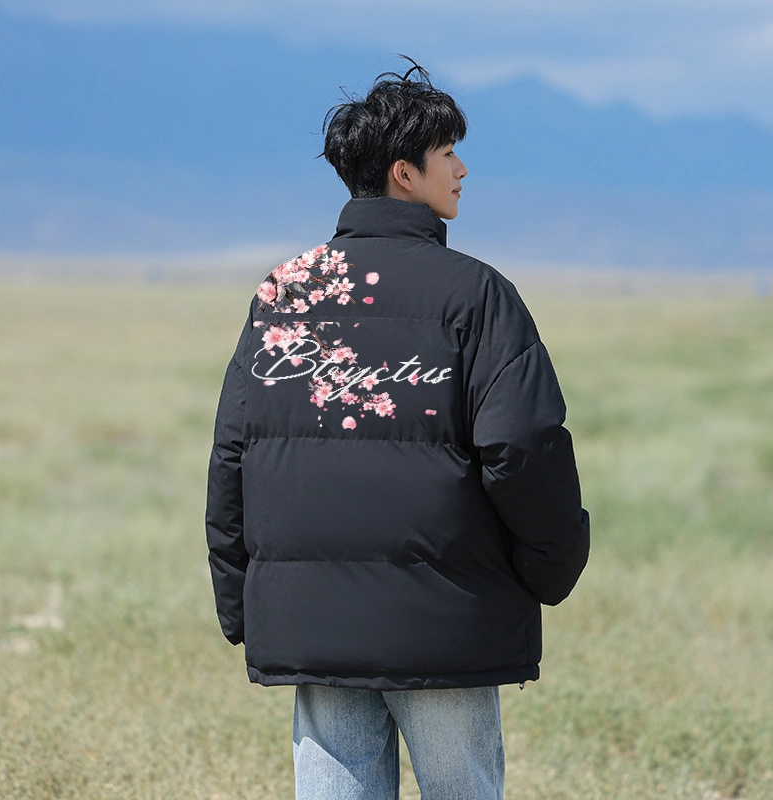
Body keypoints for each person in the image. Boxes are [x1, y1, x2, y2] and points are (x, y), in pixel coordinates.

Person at [206, 59, 590, 800]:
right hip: (448, 619)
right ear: (404, 173)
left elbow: (233, 454)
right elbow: (524, 447)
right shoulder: (477, 295)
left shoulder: (283, 292)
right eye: (448, 153)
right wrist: (551, 567)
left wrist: (242, 597)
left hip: (313, 621)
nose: (463, 169)